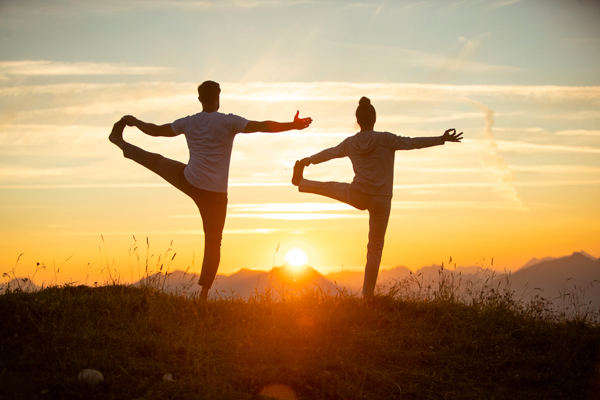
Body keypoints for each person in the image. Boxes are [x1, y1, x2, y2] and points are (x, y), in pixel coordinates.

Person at [109, 80, 312, 300]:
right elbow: (262, 126)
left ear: (199, 99)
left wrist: (135, 122)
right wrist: (293, 125)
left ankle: (119, 143)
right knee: (214, 241)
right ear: (219, 96)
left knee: (156, 161)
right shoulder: (229, 121)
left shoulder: (189, 122)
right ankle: (204, 297)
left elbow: (156, 131)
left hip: (189, 180)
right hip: (215, 195)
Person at [291, 96, 462, 297]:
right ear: (374, 119)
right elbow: (412, 143)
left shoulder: (351, 142)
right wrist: (441, 139)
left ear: (358, 120)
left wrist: (307, 161)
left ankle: (302, 182)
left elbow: (330, 153)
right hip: (381, 199)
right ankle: (367, 297)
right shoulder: (386, 139)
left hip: (358, 194)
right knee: (375, 248)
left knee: (331, 187)